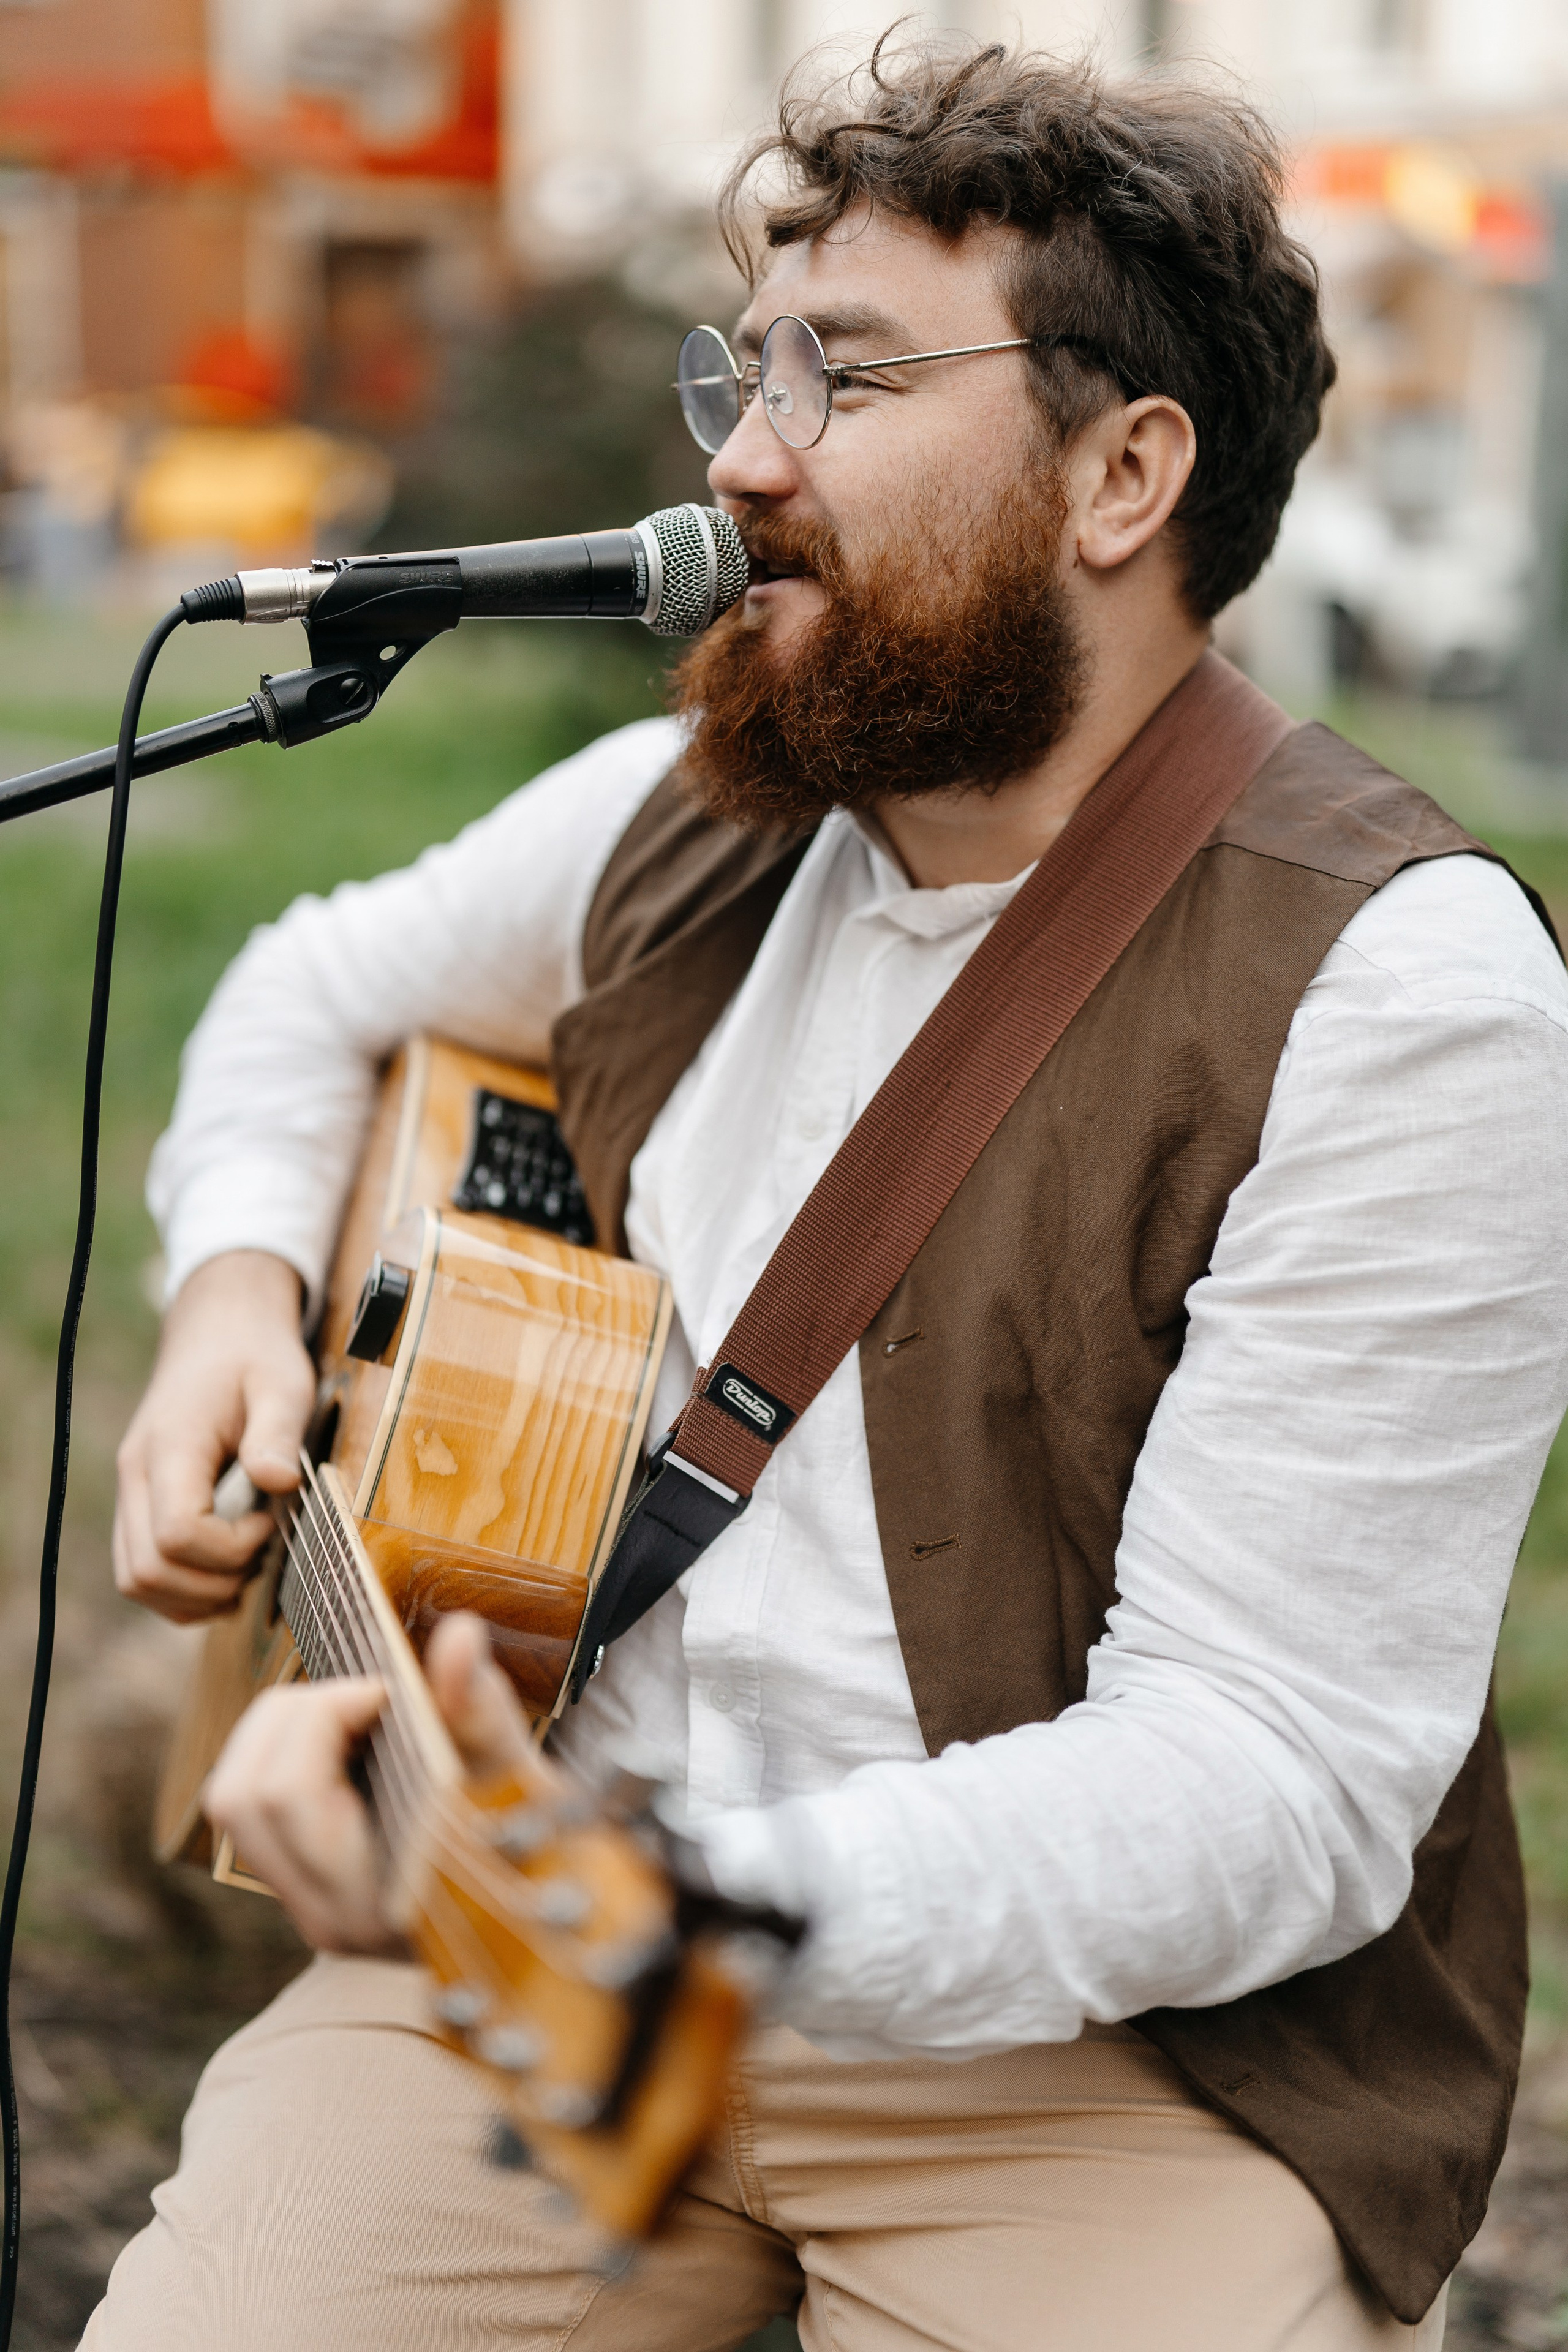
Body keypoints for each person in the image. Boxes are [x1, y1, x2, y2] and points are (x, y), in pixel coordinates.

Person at [86, 32, 1568, 2352]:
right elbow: (297, 991)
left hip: (1103, 2067)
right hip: (526, 1982)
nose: (745, 462)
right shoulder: (702, 810)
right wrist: (237, 1302)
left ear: (1120, 475)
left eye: (848, 382)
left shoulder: (1401, 988)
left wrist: (650, 1891)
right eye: (744, 373)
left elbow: (1269, 1777)